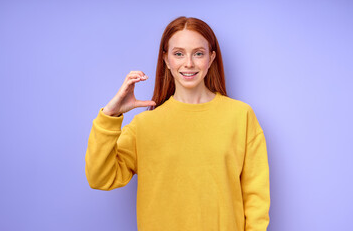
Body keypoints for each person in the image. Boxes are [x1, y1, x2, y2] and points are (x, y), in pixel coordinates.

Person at [85, 16, 270, 231]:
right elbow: (100, 178)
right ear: (166, 59)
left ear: (211, 58)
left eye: (198, 53)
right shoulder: (144, 125)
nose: (188, 63)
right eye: (178, 53)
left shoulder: (241, 116)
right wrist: (110, 115)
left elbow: (256, 198)